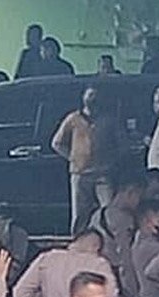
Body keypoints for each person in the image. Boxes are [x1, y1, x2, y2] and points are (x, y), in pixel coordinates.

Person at [51, 87, 123, 236]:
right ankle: (78, 240)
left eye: (96, 96)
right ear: (83, 97)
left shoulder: (109, 120)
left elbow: (122, 144)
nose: (93, 99)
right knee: (80, 213)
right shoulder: (73, 119)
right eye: (90, 95)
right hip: (80, 173)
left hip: (103, 174)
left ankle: (110, 240)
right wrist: (72, 157)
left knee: (109, 209)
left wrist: (112, 160)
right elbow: (57, 143)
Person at [14, 229, 119, 297]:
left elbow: (20, 295)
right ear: (97, 247)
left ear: (74, 242)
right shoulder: (100, 265)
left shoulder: (48, 258)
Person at [88, 173, 146, 297]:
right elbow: (126, 257)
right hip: (116, 276)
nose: (139, 202)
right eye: (139, 196)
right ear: (131, 192)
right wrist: (133, 292)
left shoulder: (97, 214)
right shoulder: (123, 219)